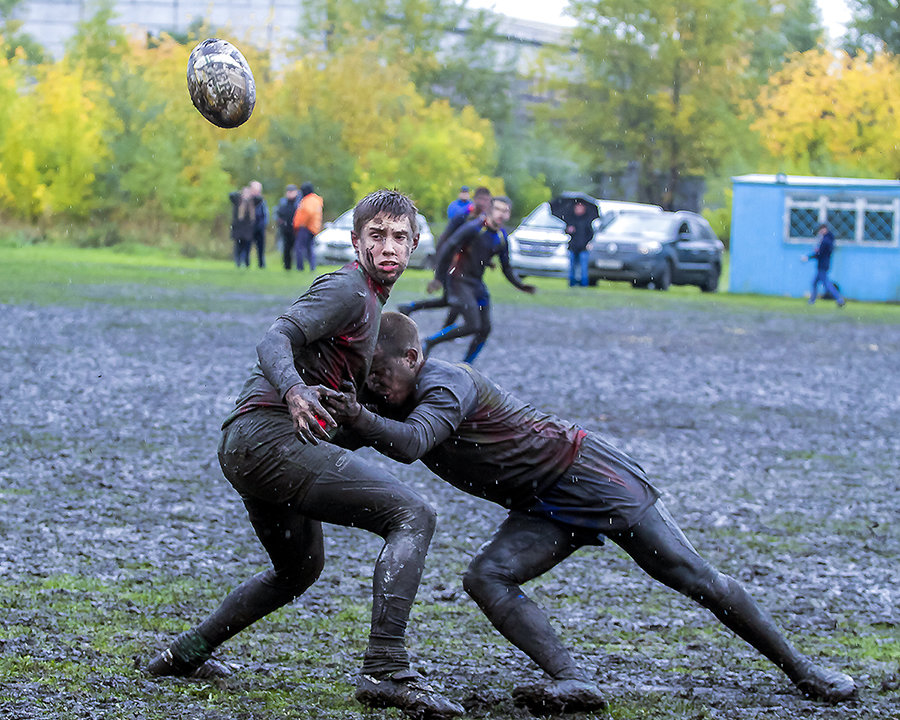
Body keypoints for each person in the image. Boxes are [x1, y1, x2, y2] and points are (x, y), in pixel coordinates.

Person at [324, 312, 858, 714]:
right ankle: (572, 679)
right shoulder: (390, 402)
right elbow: (351, 432)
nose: (374, 387)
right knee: (487, 577)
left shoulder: (448, 382)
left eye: (379, 375)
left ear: (412, 359)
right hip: (543, 503)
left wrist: (358, 415)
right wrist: (302, 411)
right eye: (366, 379)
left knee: (693, 577)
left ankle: (803, 668)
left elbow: (412, 443)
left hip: (590, 475)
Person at [145, 191, 463, 720]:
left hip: (251, 445)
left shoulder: (370, 302)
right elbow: (276, 338)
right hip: (267, 437)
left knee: (299, 570)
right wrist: (295, 391)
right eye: (377, 235)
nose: (388, 246)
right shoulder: (348, 288)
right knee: (413, 514)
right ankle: (385, 670)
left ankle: (183, 656)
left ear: (413, 247)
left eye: (399, 237)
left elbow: (346, 411)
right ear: (357, 241)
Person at [423, 196, 536, 364]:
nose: (500, 214)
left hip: (476, 283)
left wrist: (520, 285)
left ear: (508, 215)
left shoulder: (502, 236)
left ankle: (467, 365)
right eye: (497, 209)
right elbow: (448, 247)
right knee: (472, 325)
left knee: (485, 328)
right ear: (490, 210)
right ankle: (429, 341)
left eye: (505, 211)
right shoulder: (474, 228)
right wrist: (439, 277)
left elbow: (506, 267)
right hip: (458, 280)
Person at [397, 187, 493, 322]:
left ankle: (412, 308)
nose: (484, 203)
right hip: (452, 263)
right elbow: (445, 239)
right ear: (475, 199)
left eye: (487, 200)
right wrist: (439, 270)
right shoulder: (463, 215)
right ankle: (440, 333)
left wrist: (487, 261)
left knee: (452, 299)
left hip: (465, 265)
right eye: (481, 199)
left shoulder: (483, 221)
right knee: (454, 300)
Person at [804, 224, 845, 307]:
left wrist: (808, 257)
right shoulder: (828, 240)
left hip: (822, 265)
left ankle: (839, 299)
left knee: (826, 284)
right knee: (815, 282)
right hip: (824, 265)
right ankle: (812, 300)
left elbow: (819, 254)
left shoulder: (825, 241)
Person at [292, 182, 323, 272]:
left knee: (299, 247)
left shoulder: (308, 200)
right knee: (310, 248)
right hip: (313, 228)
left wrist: (301, 223)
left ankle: (300, 267)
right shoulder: (316, 200)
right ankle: (312, 266)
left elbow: (308, 213)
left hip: (306, 227)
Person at [566, 199, 593, 287]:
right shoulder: (571, 219)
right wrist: (569, 230)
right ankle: (572, 282)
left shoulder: (587, 221)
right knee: (572, 267)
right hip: (573, 246)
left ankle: (584, 283)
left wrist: (586, 242)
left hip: (583, 247)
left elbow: (591, 234)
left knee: (583, 268)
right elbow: (566, 230)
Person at [229, 186, 256, 268]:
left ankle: (246, 263)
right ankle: (238, 263)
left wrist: (252, 194)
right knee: (238, 247)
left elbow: (260, 198)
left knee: (247, 248)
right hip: (238, 229)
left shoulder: (252, 202)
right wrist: (239, 193)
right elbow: (231, 195)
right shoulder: (237, 201)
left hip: (248, 230)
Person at [275, 184, 301, 270]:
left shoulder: (299, 202)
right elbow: (277, 214)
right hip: (286, 229)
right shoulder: (283, 202)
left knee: (297, 248)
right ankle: (287, 267)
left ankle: (299, 266)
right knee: (286, 248)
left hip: (296, 229)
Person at [249, 180, 269, 268]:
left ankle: (261, 264)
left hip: (260, 227)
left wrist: (263, 225)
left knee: (261, 247)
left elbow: (265, 214)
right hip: (249, 227)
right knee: (247, 247)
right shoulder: (248, 200)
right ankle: (245, 263)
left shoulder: (262, 201)